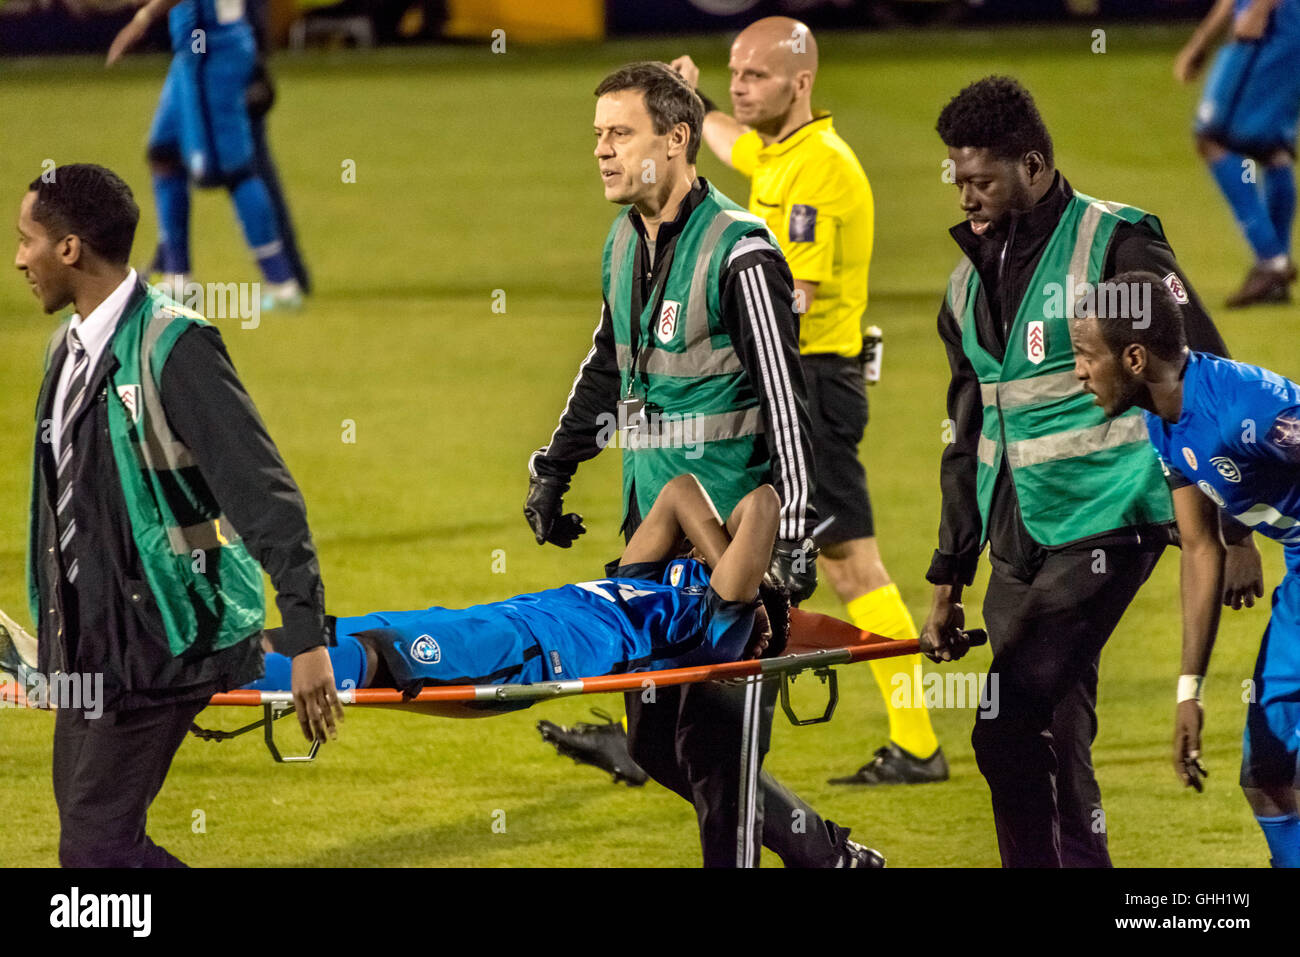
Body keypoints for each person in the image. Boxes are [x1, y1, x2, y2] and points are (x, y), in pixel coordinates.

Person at [524, 62, 870, 868]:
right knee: (651, 742)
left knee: (720, 766)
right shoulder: (622, 241)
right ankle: (825, 852)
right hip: (651, 533)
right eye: (598, 136)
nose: (603, 152)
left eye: (621, 134)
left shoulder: (741, 252)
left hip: (729, 556)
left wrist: (792, 536)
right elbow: (608, 367)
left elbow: (788, 401)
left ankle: (818, 852)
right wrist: (556, 466)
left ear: (677, 139)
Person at [918, 77, 1253, 868]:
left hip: (1113, 520)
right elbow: (966, 437)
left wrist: (1233, 526)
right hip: (1017, 543)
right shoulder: (964, 288)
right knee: (1045, 736)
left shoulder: (1116, 244)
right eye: (958, 179)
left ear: (1032, 165)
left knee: (1001, 724)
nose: (966, 196)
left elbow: (1203, 371)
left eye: (982, 180)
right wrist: (947, 574)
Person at [14, 163, 339, 868]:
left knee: (96, 849)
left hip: (160, 641)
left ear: (69, 249)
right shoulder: (65, 351)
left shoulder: (173, 345)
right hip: (88, 647)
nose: (18, 259)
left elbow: (263, 494)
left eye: (27, 240)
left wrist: (309, 635)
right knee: (94, 841)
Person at [670, 16, 945, 786]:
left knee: (851, 564)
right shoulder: (784, 151)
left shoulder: (820, 170)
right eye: (733, 71)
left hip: (811, 387)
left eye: (754, 76)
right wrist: (691, 102)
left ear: (801, 83)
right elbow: (734, 143)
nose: (738, 86)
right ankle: (685, 726)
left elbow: (790, 299)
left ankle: (917, 743)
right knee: (745, 546)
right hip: (796, 383)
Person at [1069, 271, 1299, 867]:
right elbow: (1199, 548)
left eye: (1085, 356)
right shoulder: (1161, 419)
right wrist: (1187, 692)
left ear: (1136, 357)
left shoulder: (1247, 408)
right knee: (1268, 775)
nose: (1078, 373)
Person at [250, 477, 789, 699]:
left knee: (385, 657)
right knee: (339, 632)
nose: (706, 537)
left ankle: (223, 679)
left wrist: (755, 598)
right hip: (514, 617)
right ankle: (213, 659)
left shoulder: (717, 624)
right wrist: (721, 558)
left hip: (541, 652)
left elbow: (763, 502)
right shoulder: (660, 579)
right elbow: (679, 492)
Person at [106, 0, 305, 310]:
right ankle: (178, 279)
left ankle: (282, 285)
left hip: (212, 52)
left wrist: (143, 18)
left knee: (233, 168)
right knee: (164, 152)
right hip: (194, 52)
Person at [1174, 0, 1300, 306]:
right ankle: (1273, 278)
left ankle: (1272, 261)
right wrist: (1202, 41)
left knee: (1211, 136)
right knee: (1271, 146)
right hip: (1286, 25)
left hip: (1274, 25)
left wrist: (1259, 8)